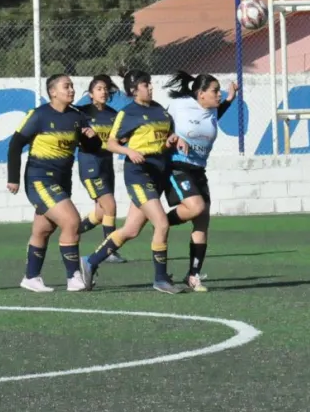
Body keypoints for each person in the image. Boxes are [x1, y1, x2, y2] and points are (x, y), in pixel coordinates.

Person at [79, 69, 181, 294]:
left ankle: (90, 262)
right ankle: (161, 279)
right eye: (146, 84)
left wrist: (172, 140)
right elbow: (112, 143)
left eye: (150, 83)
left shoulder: (160, 112)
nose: (150, 87)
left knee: (131, 230)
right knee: (162, 223)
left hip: (158, 175)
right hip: (138, 175)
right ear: (134, 90)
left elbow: (165, 141)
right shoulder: (127, 114)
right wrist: (129, 151)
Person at [7, 74, 102, 293]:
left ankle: (31, 277)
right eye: (66, 86)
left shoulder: (77, 117)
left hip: (62, 180)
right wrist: (13, 178)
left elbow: (92, 149)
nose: (71, 90)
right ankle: (74, 277)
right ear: (53, 92)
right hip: (40, 179)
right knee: (71, 221)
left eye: (72, 86)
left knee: (43, 229)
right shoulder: (38, 116)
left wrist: (92, 137)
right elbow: (15, 145)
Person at [162, 71, 238, 292]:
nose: (219, 94)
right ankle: (161, 222)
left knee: (202, 220)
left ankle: (193, 275)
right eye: (215, 91)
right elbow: (161, 124)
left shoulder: (212, 109)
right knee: (196, 207)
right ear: (200, 93)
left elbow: (217, 112)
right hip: (176, 166)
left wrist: (230, 98)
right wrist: (173, 138)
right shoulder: (180, 105)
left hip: (198, 170)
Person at [74, 75, 127, 263]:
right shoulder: (81, 113)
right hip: (90, 164)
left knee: (100, 213)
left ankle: (72, 230)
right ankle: (109, 251)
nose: (103, 92)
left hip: (107, 164)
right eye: (98, 89)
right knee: (110, 205)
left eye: (105, 88)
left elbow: (119, 138)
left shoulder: (113, 115)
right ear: (90, 94)